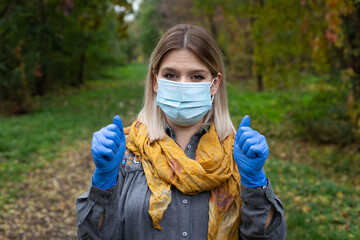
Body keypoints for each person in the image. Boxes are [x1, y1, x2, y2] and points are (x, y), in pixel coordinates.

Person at [76, 24, 286, 240]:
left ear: (215, 84)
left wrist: (254, 183)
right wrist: (103, 181)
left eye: (196, 77)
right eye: (171, 75)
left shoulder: (237, 154)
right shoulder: (127, 151)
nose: (183, 85)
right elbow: (92, 236)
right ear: (155, 80)